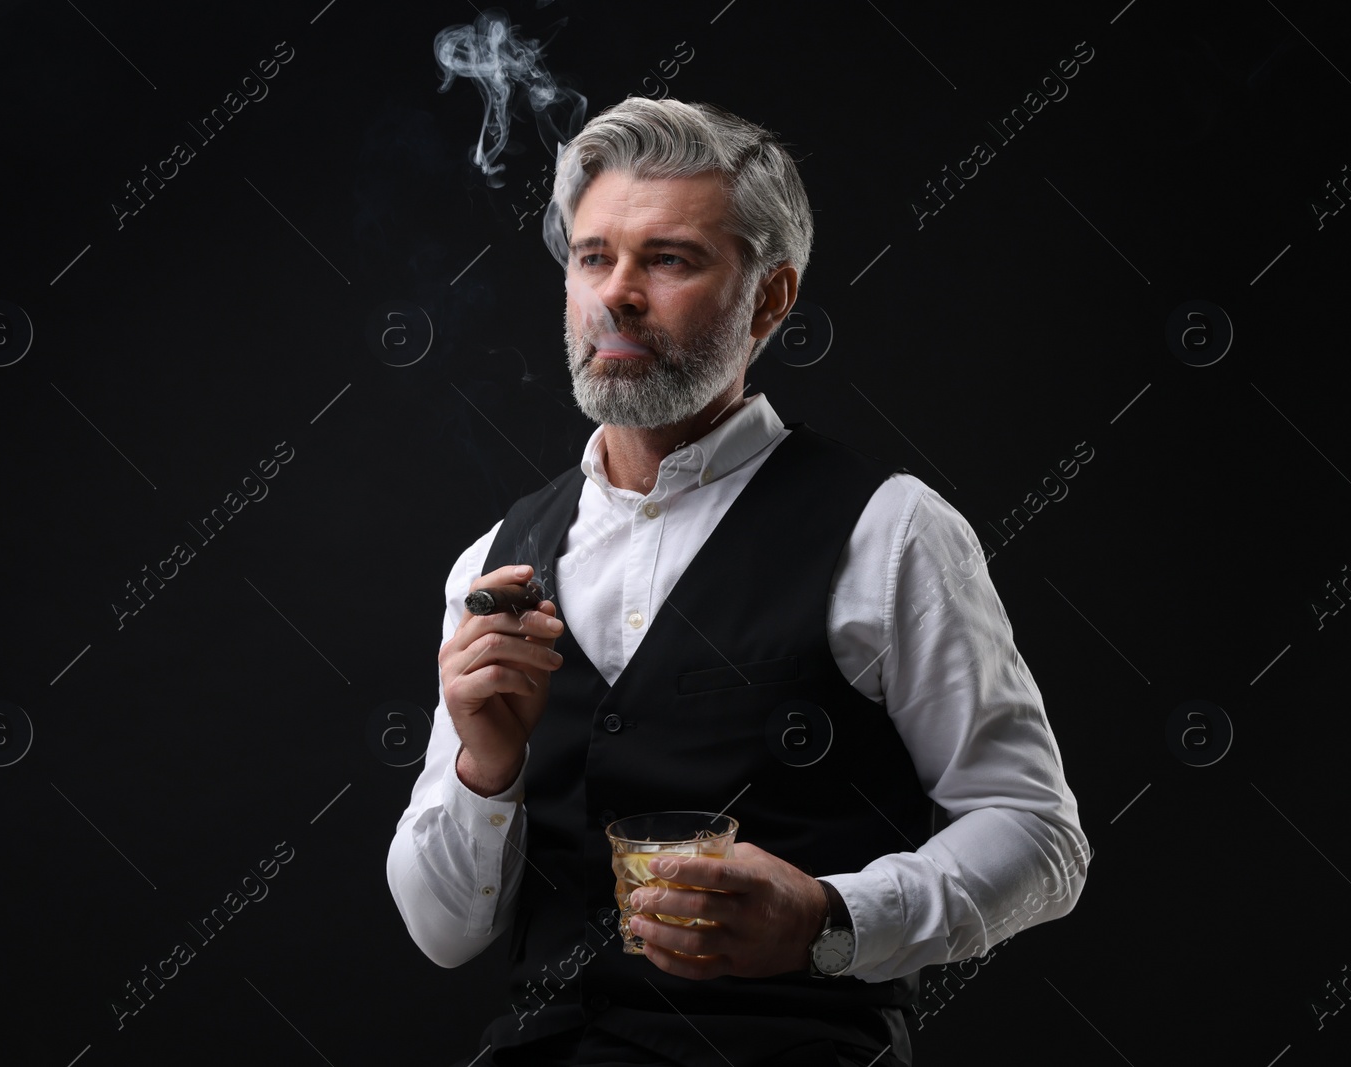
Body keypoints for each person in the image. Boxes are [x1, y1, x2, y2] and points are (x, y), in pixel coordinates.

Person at [388, 97, 1090, 1067]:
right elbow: (443, 931)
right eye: (593, 257)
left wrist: (829, 916)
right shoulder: (493, 560)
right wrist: (486, 768)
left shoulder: (889, 530)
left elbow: (1038, 835)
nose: (617, 295)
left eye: (668, 258)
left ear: (769, 299)